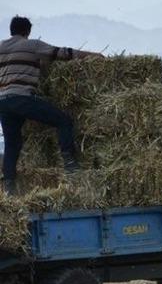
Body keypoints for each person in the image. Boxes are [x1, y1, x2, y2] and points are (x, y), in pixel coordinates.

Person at [0, 16, 102, 195]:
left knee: (11, 144)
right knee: (63, 121)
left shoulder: (1, 47)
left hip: (3, 102)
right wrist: (92, 55)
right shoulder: (32, 45)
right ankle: (70, 165)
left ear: (11, 30)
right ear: (28, 31)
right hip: (22, 98)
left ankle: (9, 187)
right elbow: (64, 53)